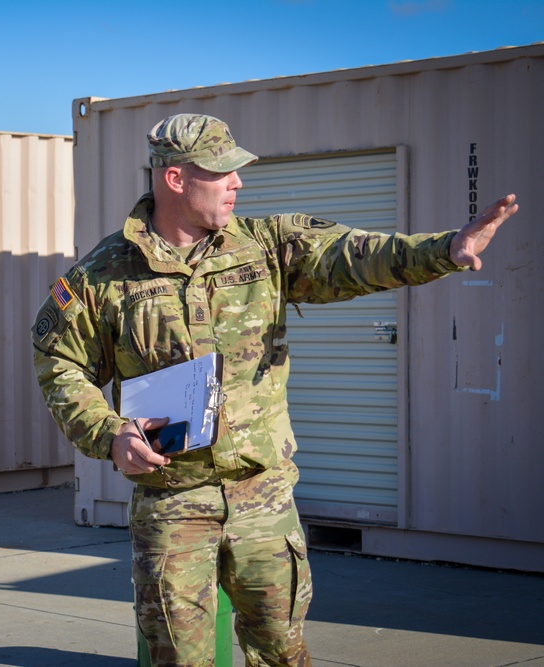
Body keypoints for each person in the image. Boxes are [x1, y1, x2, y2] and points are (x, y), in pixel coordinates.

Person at [31, 113, 518, 666]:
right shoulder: (102, 276)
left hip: (262, 497)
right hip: (173, 502)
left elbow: (353, 255)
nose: (238, 182)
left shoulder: (267, 248)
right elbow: (60, 363)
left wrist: (445, 249)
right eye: (222, 172)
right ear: (175, 178)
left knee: (281, 653)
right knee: (177, 658)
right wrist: (110, 433)